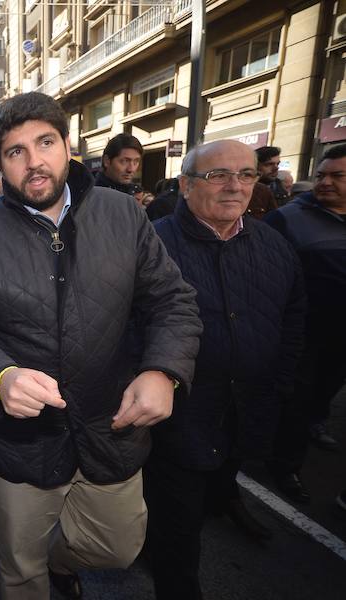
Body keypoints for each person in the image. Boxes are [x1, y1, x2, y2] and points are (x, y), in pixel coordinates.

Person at [0, 92, 202, 599]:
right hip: (22, 443)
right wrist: (2, 377)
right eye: (16, 151)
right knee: (20, 570)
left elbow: (173, 301)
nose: (34, 160)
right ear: (0, 166)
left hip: (112, 426)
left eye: (45, 142)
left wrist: (164, 371)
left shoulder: (122, 214)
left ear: (68, 146)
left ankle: (59, 561)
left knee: (118, 547)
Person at [144, 140, 305, 599]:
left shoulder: (273, 244)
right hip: (179, 421)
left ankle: (222, 503)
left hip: (249, 410)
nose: (235, 186)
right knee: (177, 534)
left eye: (247, 175)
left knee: (217, 487)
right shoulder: (151, 244)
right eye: (218, 175)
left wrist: (279, 382)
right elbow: (126, 324)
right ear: (186, 185)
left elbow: (294, 318)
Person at [264, 143, 346, 500]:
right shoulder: (289, 218)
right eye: (321, 175)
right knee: (297, 398)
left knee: (323, 392)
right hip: (303, 333)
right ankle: (285, 466)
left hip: (340, 337)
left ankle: (315, 421)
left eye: (337, 176)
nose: (326, 183)